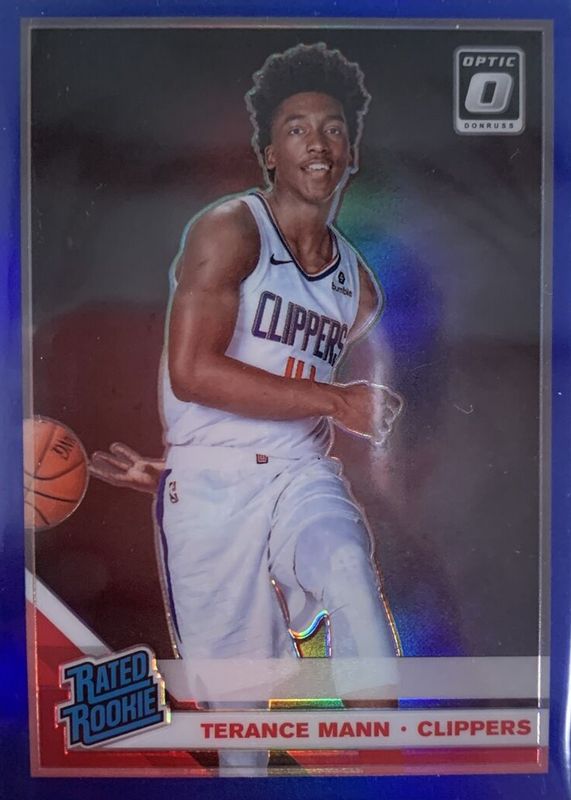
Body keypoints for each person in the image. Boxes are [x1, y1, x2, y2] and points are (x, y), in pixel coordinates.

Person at [90, 42, 403, 774]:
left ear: (351, 153)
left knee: (349, 567)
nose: (316, 142)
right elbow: (193, 373)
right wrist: (179, 467)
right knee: (240, 728)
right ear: (269, 153)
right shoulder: (229, 229)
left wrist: (348, 405)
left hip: (299, 471)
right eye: (296, 128)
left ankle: (378, 770)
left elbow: (280, 380)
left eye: (331, 128)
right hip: (208, 487)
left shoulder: (358, 289)